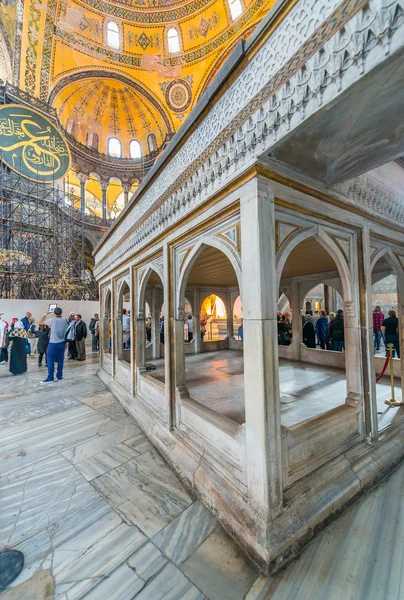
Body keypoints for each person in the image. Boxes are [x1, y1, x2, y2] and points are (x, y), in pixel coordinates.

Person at [40, 307, 69, 383]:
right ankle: (60, 377)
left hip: (53, 343)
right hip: (62, 342)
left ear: (54, 313)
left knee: (50, 359)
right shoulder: (65, 319)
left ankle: (50, 378)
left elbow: (41, 322)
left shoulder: (52, 320)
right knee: (60, 360)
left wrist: (45, 314)